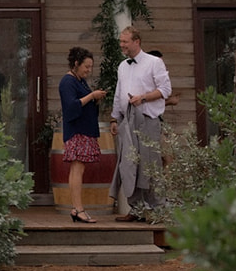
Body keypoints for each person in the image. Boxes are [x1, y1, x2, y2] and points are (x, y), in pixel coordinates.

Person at [109, 26, 171, 221]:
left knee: (149, 164)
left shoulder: (154, 63)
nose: (122, 45)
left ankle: (156, 210)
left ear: (137, 42)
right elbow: (119, 92)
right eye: (121, 41)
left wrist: (143, 98)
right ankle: (136, 209)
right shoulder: (122, 66)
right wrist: (114, 118)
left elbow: (166, 90)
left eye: (125, 41)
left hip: (147, 121)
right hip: (127, 121)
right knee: (128, 164)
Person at [58, 46, 106, 224]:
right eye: (86, 66)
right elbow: (71, 107)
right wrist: (92, 96)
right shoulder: (67, 82)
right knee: (77, 169)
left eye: (91, 67)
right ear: (76, 64)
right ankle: (78, 209)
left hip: (85, 130)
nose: (89, 70)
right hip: (77, 132)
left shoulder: (80, 81)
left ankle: (76, 208)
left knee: (79, 169)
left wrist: (94, 97)